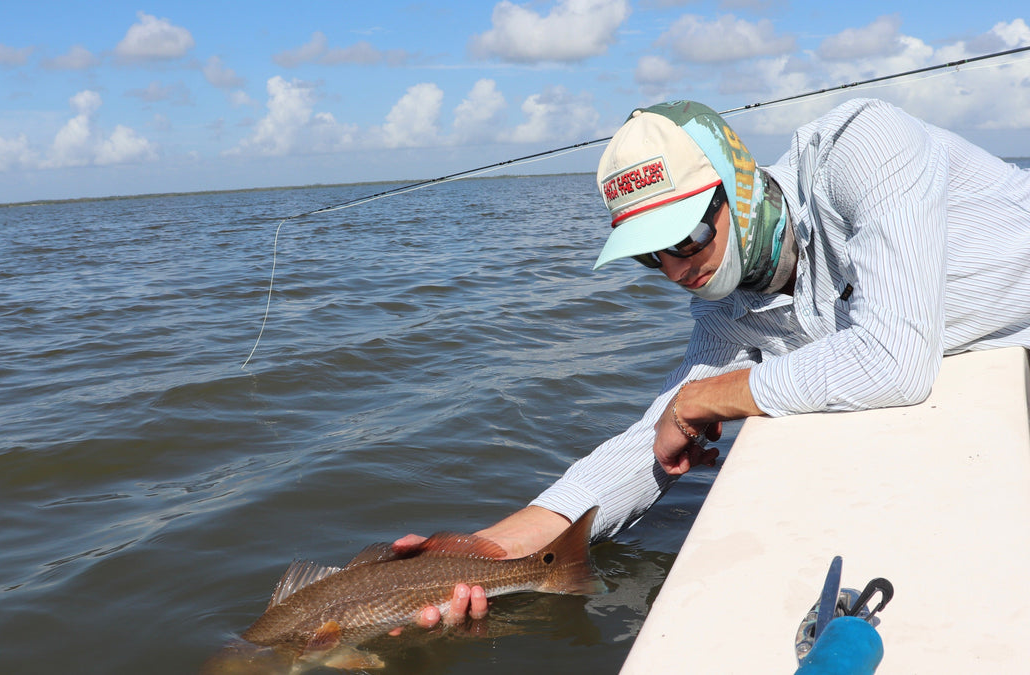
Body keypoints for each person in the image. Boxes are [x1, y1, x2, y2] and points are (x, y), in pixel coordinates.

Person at [395, 97, 1030, 628]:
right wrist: (485, 551)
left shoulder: (865, 147)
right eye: (651, 255)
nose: (677, 270)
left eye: (688, 235)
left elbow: (893, 358)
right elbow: (652, 441)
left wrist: (707, 397)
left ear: (740, 183)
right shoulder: (725, 311)